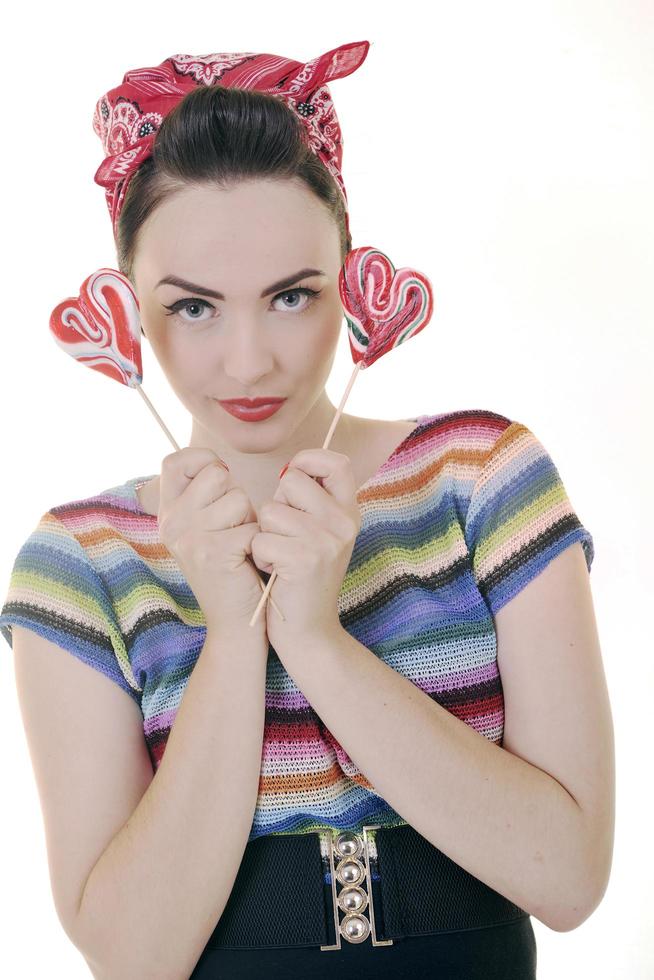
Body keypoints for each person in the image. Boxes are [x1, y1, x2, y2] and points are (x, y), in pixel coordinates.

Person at [0, 42, 614, 980]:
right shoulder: (79, 561)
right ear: (127, 306)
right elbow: (132, 957)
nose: (249, 363)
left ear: (350, 277)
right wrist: (235, 634)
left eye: (292, 296)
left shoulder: (482, 477)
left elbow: (569, 879)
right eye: (194, 308)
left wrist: (317, 638)